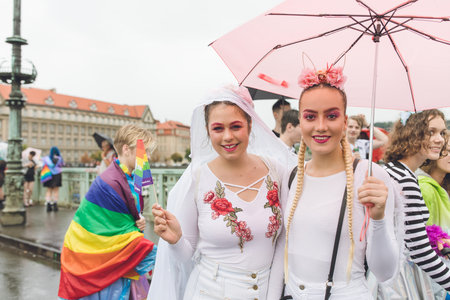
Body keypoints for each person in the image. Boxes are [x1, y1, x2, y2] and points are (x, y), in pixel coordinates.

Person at [148, 86, 295, 300]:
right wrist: (176, 240)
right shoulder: (196, 180)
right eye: (218, 128)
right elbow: (184, 257)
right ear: (207, 130)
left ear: (250, 125)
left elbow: (287, 235)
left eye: (236, 126)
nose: (228, 137)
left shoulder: (277, 171)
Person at [282, 66, 400, 299]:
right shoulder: (292, 175)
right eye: (310, 116)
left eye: (332, 115)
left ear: (345, 122)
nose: (321, 126)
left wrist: (378, 218)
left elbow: (385, 272)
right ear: (300, 121)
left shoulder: (369, 176)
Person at [58, 124, 157, 300]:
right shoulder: (111, 182)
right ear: (126, 149)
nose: (148, 157)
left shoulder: (126, 176)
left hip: (103, 258)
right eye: (145, 151)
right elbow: (115, 233)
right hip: (96, 259)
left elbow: (118, 220)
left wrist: (136, 221)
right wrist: (157, 253)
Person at [383, 110, 450, 299]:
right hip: (399, 280)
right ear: (411, 133)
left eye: (442, 133)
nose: (439, 139)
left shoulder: (394, 170)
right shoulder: (406, 180)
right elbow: (419, 251)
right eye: (431, 132)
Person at [418, 139, 450, 299]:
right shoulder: (425, 187)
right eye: (447, 152)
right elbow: (425, 235)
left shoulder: (443, 186)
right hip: (433, 271)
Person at [42, 146, 64, 212]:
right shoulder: (60, 158)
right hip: (57, 175)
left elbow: (43, 166)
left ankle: (48, 205)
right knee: (56, 190)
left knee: (49, 190)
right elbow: (62, 165)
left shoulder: (46, 158)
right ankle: (55, 205)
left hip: (49, 175)